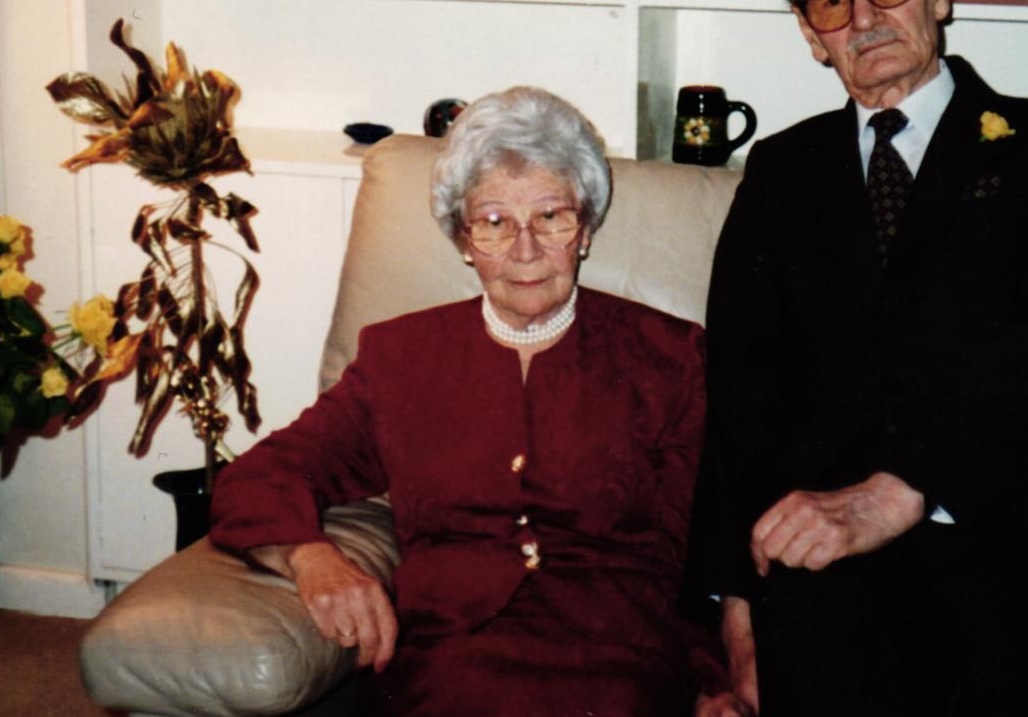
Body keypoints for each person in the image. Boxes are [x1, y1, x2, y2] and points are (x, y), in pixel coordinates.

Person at [690, 0, 1028, 717]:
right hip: (839, 571)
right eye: (831, 2)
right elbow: (740, 401)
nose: (864, 18)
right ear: (809, 33)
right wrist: (737, 612)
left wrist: (906, 488)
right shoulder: (780, 172)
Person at [210, 86, 721, 716]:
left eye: (551, 217)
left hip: (618, 665)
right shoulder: (400, 359)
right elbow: (260, 476)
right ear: (461, 239)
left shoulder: (668, 358)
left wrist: (711, 679)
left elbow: (701, 544)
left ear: (585, 229)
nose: (526, 250)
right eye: (494, 223)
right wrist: (310, 557)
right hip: (449, 664)